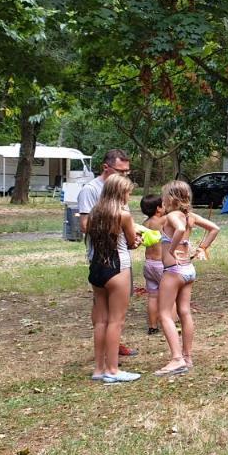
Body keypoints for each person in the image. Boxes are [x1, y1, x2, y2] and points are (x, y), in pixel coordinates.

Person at [154, 180, 221, 376]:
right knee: (185, 312)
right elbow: (214, 228)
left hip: (173, 270)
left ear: (170, 198)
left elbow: (180, 230)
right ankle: (187, 356)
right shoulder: (189, 216)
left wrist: (172, 250)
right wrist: (202, 247)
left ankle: (176, 359)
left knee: (165, 314)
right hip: (188, 270)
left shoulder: (173, 216)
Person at [78, 149, 138, 358]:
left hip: (115, 254)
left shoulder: (119, 191)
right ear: (106, 167)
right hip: (104, 257)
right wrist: (120, 230)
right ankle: (109, 358)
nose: (124, 176)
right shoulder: (90, 190)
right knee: (107, 314)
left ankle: (109, 352)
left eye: (127, 172)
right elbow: (85, 225)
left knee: (113, 313)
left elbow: (124, 221)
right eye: (120, 171)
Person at [86, 174, 141, 384]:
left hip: (97, 269)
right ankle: (113, 370)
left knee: (100, 321)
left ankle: (99, 368)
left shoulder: (94, 214)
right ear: (120, 193)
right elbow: (131, 241)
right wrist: (138, 241)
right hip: (118, 269)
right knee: (116, 322)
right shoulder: (123, 215)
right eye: (127, 192)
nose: (129, 196)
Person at [140, 194, 166, 337]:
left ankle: (152, 326)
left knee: (152, 296)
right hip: (160, 264)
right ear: (158, 208)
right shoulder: (162, 220)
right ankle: (173, 323)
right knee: (170, 295)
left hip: (148, 264)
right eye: (163, 205)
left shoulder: (145, 223)